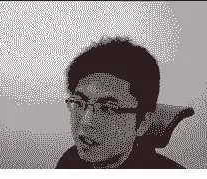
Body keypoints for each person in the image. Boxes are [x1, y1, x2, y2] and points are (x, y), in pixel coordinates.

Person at [56, 37, 183, 169]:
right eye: (79, 103)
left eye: (107, 108)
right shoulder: (70, 160)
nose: (86, 122)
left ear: (143, 123)